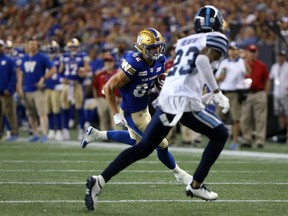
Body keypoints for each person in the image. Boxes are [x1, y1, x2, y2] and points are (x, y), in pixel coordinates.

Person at [83, 5, 230, 211]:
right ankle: (195, 184)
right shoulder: (217, 39)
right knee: (220, 134)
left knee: (143, 148)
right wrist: (215, 92)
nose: (157, 51)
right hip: (177, 102)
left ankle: (99, 181)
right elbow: (202, 60)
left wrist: (203, 98)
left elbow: (184, 75)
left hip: (168, 99)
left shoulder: (184, 42)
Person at [81, 28, 192, 186]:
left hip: (143, 106)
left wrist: (164, 90)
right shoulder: (134, 64)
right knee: (161, 143)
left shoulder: (160, 61)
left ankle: (96, 135)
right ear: (142, 48)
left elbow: (155, 80)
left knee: (136, 141)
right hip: (131, 112)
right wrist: (115, 114)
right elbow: (108, 88)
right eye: (153, 47)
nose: (157, 50)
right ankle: (180, 174)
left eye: (159, 46)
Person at [17, 37, 56, 143]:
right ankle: (35, 133)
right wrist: (19, 87)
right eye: (31, 44)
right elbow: (20, 73)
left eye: (34, 44)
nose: (32, 46)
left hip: (38, 89)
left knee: (42, 113)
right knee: (30, 114)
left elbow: (53, 69)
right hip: (27, 89)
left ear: (37, 46)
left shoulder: (42, 57)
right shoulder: (25, 58)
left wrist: (43, 78)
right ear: (27, 45)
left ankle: (44, 134)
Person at [215, 41, 251, 150]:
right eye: (230, 49)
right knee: (217, 117)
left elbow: (248, 72)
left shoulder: (241, 62)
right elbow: (216, 78)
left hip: (235, 93)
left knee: (236, 118)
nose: (231, 51)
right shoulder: (224, 62)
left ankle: (235, 141)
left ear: (238, 51)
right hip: (223, 93)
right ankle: (216, 139)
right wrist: (222, 76)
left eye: (234, 49)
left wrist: (244, 59)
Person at [59, 38, 90, 140]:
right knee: (65, 107)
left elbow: (87, 70)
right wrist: (61, 79)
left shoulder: (82, 56)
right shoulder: (64, 56)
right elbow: (60, 71)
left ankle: (81, 129)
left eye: (75, 47)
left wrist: (83, 73)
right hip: (67, 85)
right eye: (71, 47)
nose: (73, 48)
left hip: (77, 84)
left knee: (79, 107)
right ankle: (65, 129)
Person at [240, 44, 270, 148]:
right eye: (250, 51)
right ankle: (247, 139)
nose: (252, 54)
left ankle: (260, 140)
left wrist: (265, 92)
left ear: (256, 53)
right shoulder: (242, 64)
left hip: (259, 92)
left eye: (254, 52)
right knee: (245, 118)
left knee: (260, 118)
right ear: (247, 52)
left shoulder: (261, 65)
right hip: (247, 93)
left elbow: (267, 79)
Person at [0, 39, 18, 141]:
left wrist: (9, 88)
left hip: (6, 92)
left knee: (10, 113)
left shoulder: (9, 60)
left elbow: (13, 76)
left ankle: (14, 132)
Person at [269, 50, 288, 143]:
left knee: (287, 113)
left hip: (286, 94)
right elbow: (271, 78)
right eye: (279, 56)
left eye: (282, 56)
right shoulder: (274, 67)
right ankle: (283, 133)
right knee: (280, 114)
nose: (280, 58)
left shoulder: (287, 67)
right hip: (277, 93)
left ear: (285, 57)